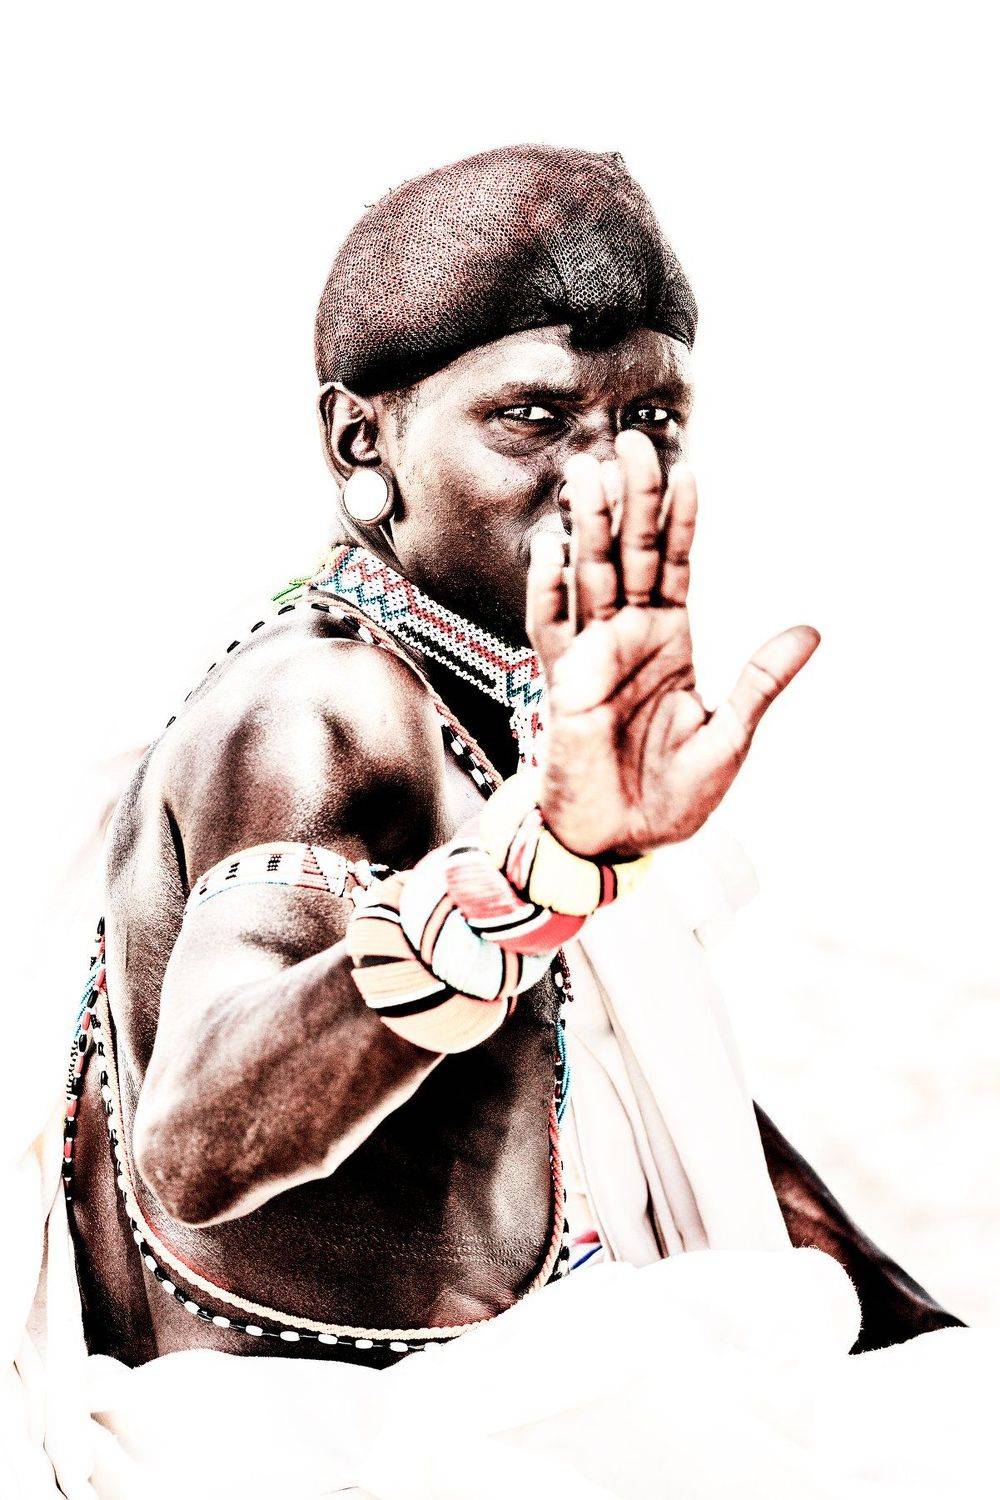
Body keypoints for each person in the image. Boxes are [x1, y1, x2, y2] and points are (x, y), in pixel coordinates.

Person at [17, 146, 992, 1500]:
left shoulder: (499, 708)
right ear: (362, 443)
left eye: (652, 416)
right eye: (534, 417)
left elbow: (675, 1119)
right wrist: (523, 887)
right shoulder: (323, 704)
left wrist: (926, 1343)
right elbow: (199, 1139)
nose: (607, 473)